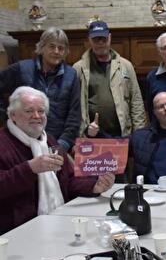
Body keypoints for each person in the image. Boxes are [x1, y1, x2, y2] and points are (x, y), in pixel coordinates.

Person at [0, 87, 114, 234]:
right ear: (13, 115)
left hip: (58, 223)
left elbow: (69, 181)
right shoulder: (3, 143)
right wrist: (29, 169)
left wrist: (94, 186)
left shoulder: (49, 141)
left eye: (41, 111)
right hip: (15, 232)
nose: (36, 116)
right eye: (29, 111)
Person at [0, 27, 81, 152]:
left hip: (57, 143)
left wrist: (62, 145)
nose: (56, 51)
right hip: (22, 143)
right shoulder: (21, 69)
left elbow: (74, 115)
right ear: (42, 47)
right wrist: (8, 116)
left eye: (61, 48)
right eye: (52, 46)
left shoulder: (71, 75)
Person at [73, 21, 146, 138]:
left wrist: (139, 135)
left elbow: (136, 101)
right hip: (92, 135)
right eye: (96, 39)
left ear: (110, 38)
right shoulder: (79, 68)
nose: (101, 43)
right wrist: (81, 132)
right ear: (89, 40)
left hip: (122, 134)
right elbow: (74, 106)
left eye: (104, 38)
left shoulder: (126, 66)